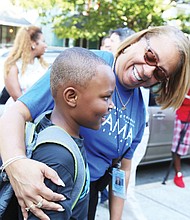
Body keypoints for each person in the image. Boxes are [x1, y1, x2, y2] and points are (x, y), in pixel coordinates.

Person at [0, 26, 189, 220]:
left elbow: (122, 169)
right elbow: (16, 112)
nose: (149, 71)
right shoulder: (88, 66)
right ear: (137, 41)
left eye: (159, 73)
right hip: (48, 185)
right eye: (150, 56)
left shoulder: (139, 111)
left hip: (87, 197)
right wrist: (16, 165)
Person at [3, 25, 48, 106]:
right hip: (19, 113)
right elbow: (17, 97)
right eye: (43, 41)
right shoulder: (13, 65)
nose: (46, 45)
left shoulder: (42, 65)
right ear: (33, 43)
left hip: (41, 112)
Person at [171, 89, 190, 188]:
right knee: (177, 148)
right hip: (182, 118)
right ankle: (178, 174)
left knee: (184, 148)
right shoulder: (184, 84)